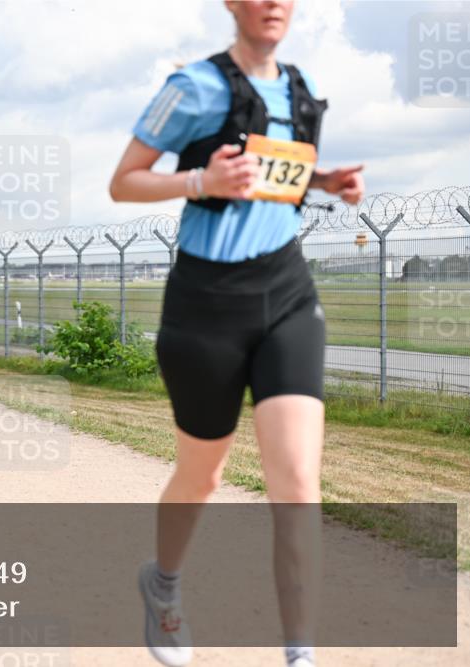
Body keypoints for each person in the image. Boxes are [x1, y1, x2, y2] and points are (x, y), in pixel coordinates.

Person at [109, 3, 365, 667]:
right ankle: (163, 584)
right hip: (205, 307)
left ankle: (300, 654)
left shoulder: (299, 87)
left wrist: (324, 180)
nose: (274, 3)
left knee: (298, 482)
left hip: (286, 293)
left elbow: (275, 175)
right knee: (203, 476)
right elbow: (123, 181)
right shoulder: (192, 86)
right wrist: (201, 179)